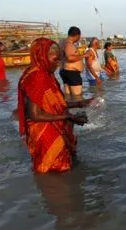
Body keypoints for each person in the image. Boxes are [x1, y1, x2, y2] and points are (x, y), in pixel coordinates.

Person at [17, 38, 90, 173]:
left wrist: (81, 103)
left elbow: (56, 102)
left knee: (61, 173)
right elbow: (35, 114)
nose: (57, 64)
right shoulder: (37, 77)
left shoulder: (45, 73)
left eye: (59, 60)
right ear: (42, 55)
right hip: (46, 133)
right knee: (54, 174)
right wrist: (69, 118)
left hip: (54, 126)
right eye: (55, 60)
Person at [59, 26, 90, 98]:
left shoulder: (62, 42)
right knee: (77, 97)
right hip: (72, 73)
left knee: (68, 96)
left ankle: (68, 108)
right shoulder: (69, 44)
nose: (79, 38)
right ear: (77, 35)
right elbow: (69, 57)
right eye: (79, 36)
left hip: (64, 71)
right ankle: (79, 110)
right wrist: (84, 55)